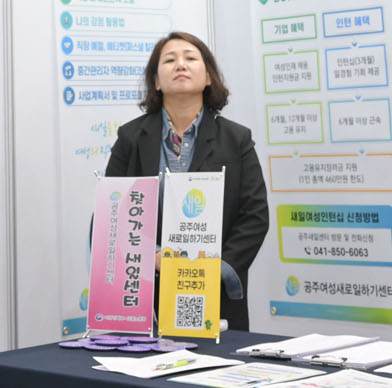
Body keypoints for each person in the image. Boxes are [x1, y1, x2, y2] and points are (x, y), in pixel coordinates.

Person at [103, 32, 270, 331]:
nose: (180, 64)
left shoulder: (236, 139)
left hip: (216, 293)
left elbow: (255, 216)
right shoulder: (130, 137)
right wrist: (150, 256)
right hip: (144, 290)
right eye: (169, 60)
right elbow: (110, 213)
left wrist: (216, 269)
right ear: (156, 82)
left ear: (208, 78)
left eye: (190, 58)